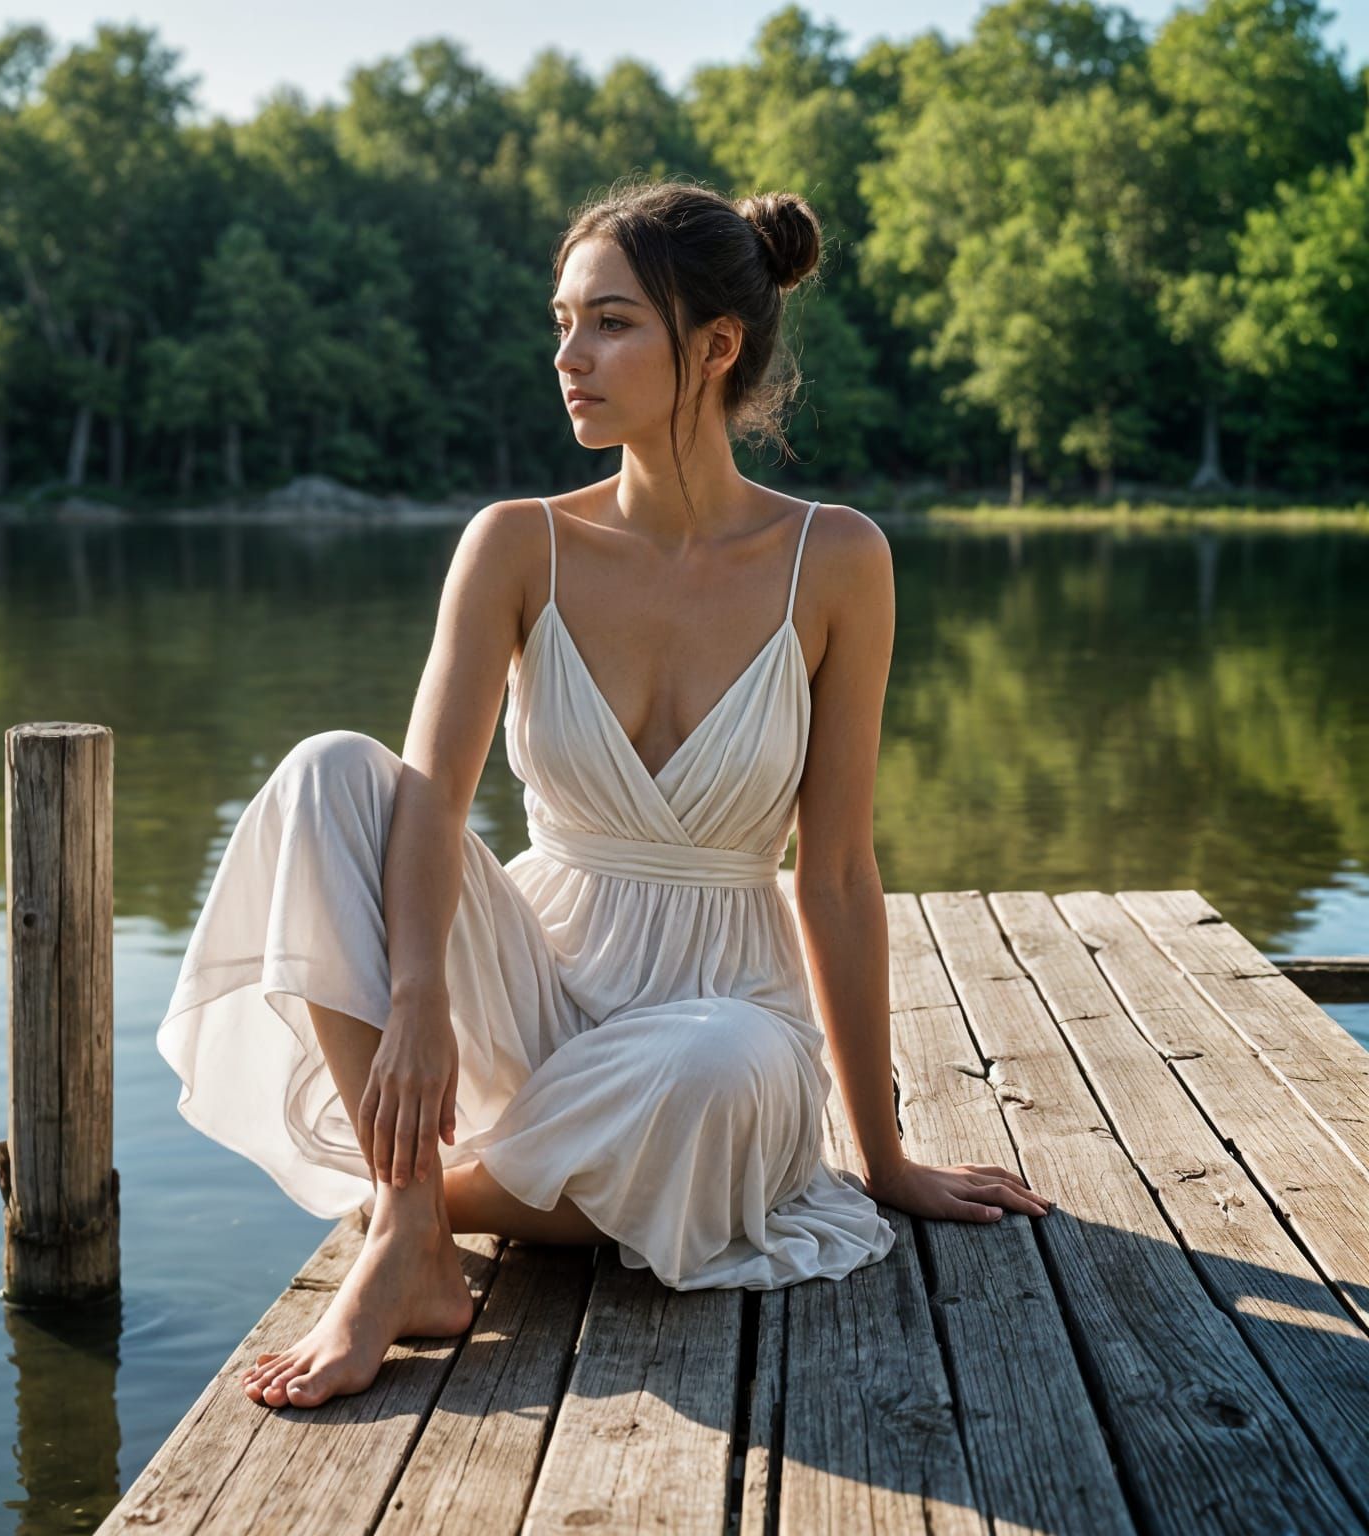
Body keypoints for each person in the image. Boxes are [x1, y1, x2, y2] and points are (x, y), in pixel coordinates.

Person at [156, 177, 1053, 1412]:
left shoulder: (837, 558)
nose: (568, 357)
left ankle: (429, 1193)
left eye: (612, 323)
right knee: (327, 774)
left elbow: (839, 873)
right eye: (563, 322)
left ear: (717, 346)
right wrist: (415, 999)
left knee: (719, 1066)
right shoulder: (516, 543)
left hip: (719, 1020)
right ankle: (409, 1231)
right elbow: (430, 801)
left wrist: (884, 1159)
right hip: (535, 993)